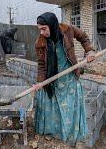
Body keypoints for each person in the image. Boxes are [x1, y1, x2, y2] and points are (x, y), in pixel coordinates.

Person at [32, 12, 95, 146]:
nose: (42, 32)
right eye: (40, 29)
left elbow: (83, 37)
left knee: (70, 109)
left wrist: (89, 51)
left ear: (52, 25)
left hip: (70, 77)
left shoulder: (68, 30)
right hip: (53, 79)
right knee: (54, 109)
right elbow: (42, 65)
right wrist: (40, 82)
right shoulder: (40, 43)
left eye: (44, 28)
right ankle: (56, 135)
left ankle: (72, 136)